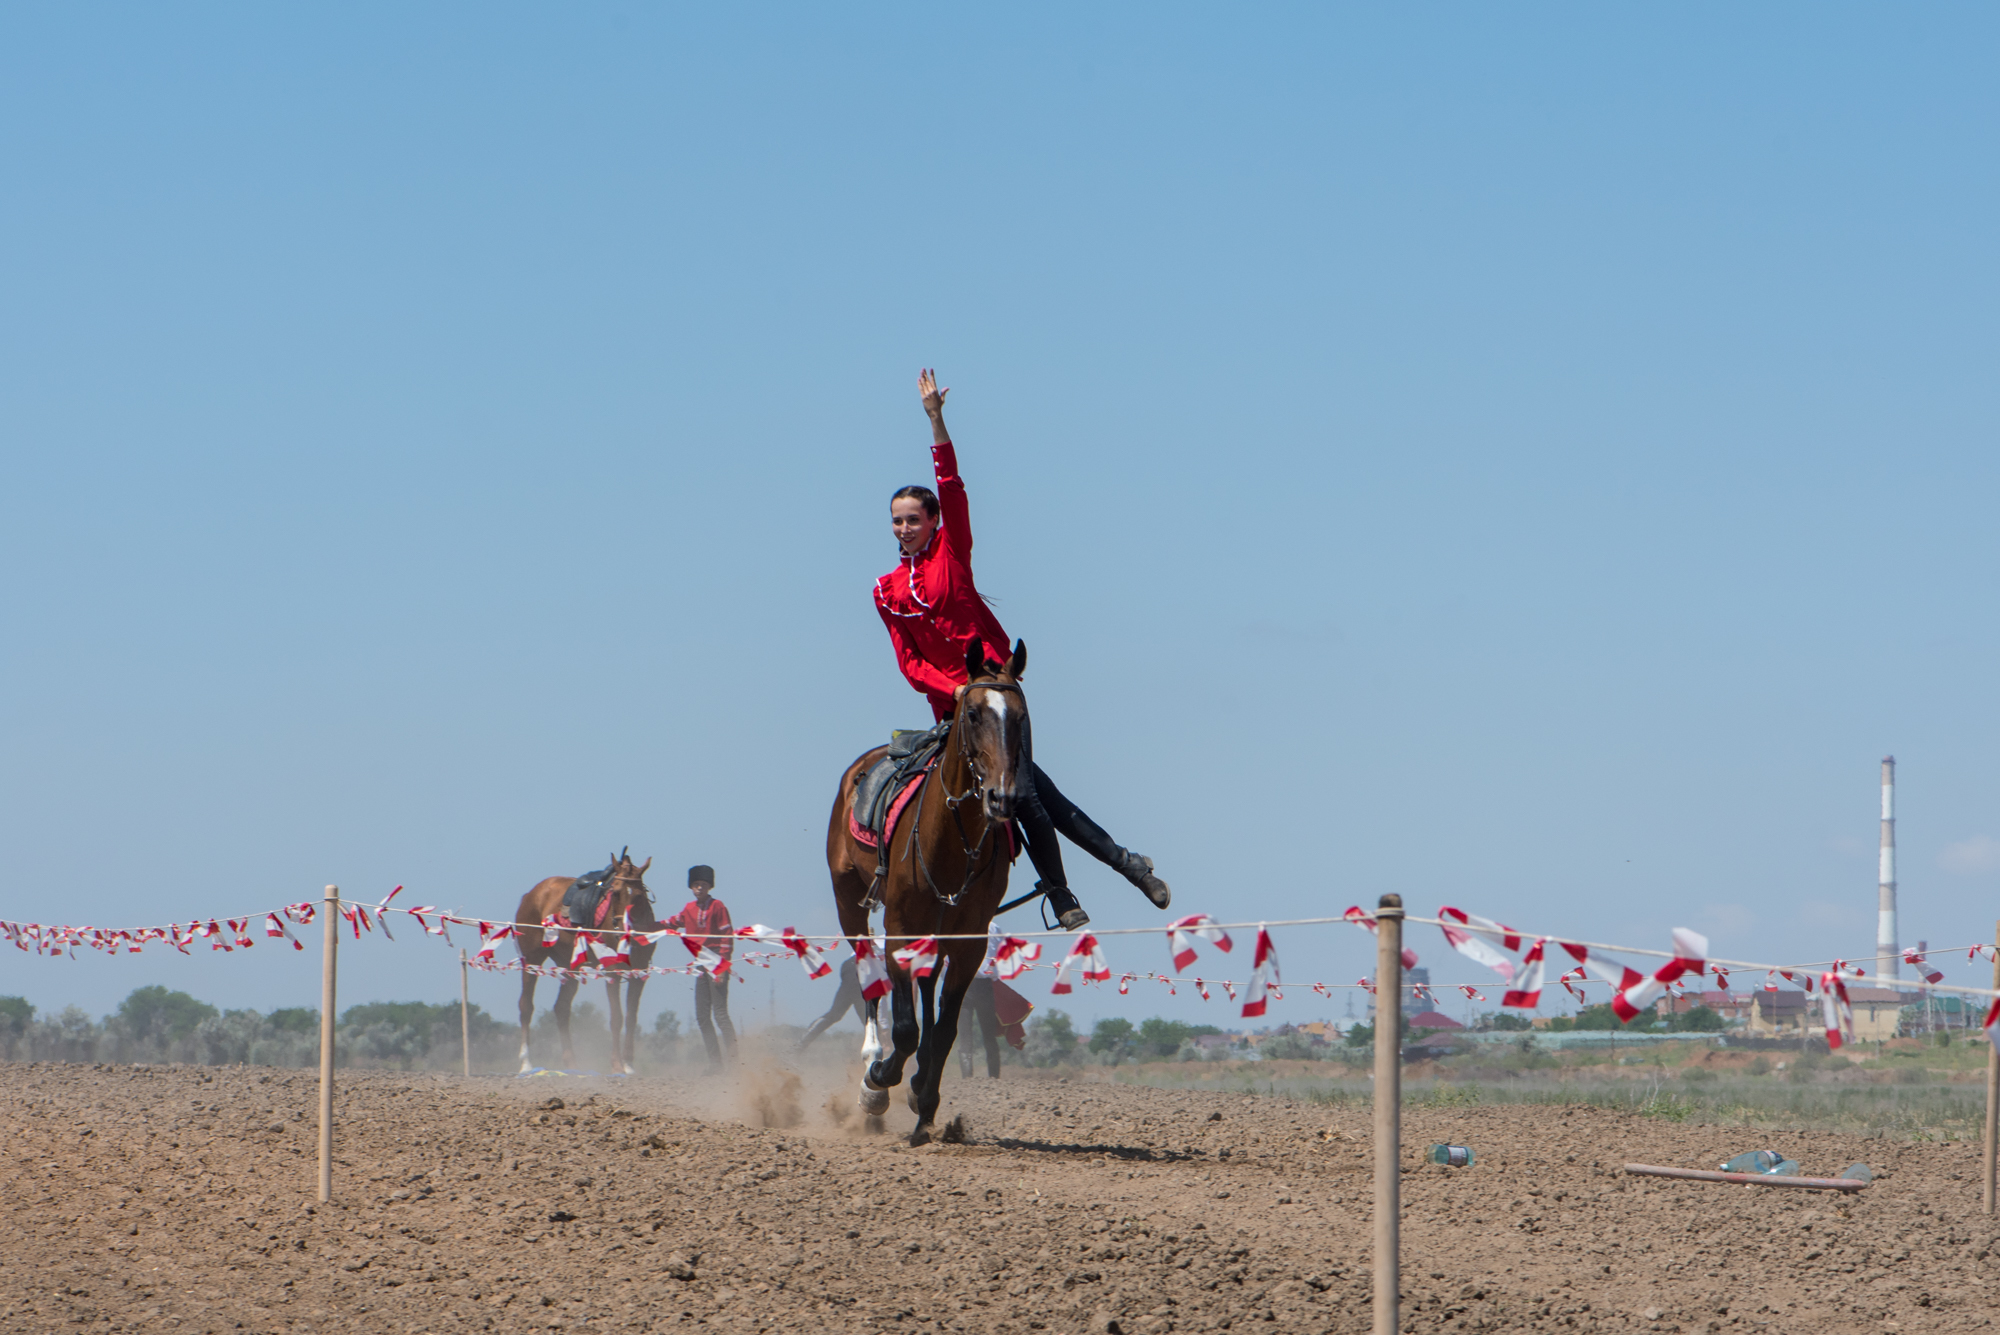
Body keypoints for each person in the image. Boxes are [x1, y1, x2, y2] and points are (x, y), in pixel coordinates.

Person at [874, 368, 1172, 930]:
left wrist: (936, 420)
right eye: (896, 522)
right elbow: (909, 662)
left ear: (935, 522)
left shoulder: (951, 554)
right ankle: (1121, 868)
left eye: (914, 519)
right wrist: (952, 689)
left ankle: (1069, 891)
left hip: (997, 690)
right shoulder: (885, 589)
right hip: (953, 704)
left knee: (1028, 792)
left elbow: (954, 483)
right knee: (1037, 792)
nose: (904, 528)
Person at [664, 865, 736, 1068]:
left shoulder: (718, 907)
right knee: (702, 1016)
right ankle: (716, 1063)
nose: (699, 888)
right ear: (691, 887)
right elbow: (672, 922)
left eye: (703, 885)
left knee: (720, 1015)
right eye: (696, 885)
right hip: (700, 966)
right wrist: (646, 927)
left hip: (716, 964)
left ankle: (734, 1061)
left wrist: (721, 968)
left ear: (709, 886)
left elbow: (727, 936)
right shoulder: (689, 909)